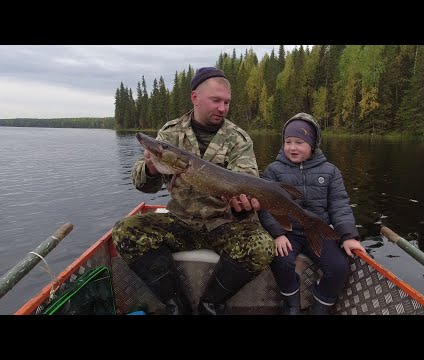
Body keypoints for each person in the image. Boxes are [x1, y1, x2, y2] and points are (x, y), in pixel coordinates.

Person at [112, 67, 275, 315]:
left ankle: (211, 302)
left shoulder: (238, 139)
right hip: (181, 222)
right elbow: (143, 185)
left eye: (227, 102)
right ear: (195, 98)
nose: (223, 108)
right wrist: (152, 168)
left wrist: (242, 206)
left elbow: (248, 181)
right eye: (216, 100)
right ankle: (176, 303)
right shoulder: (170, 133)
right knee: (125, 232)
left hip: (224, 224)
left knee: (262, 245)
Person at [258, 112, 367, 315]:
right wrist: (277, 233)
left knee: (338, 267)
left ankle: (321, 304)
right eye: (287, 141)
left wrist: (348, 236)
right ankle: (292, 304)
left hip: (317, 231)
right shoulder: (273, 171)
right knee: (281, 261)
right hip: (287, 231)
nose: (292, 147)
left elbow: (339, 205)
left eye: (299, 142)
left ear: (313, 144)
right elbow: (265, 207)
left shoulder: (330, 171)